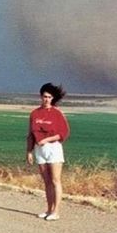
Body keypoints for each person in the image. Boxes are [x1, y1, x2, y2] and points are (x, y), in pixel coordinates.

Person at [26, 82, 70, 221]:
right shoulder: (35, 113)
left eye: (49, 97)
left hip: (53, 148)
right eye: (44, 96)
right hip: (39, 150)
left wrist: (47, 140)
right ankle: (49, 209)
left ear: (53, 98)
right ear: (41, 96)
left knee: (55, 180)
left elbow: (64, 133)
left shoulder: (57, 113)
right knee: (46, 182)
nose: (46, 99)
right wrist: (29, 151)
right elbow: (31, 134)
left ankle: (56, 211)